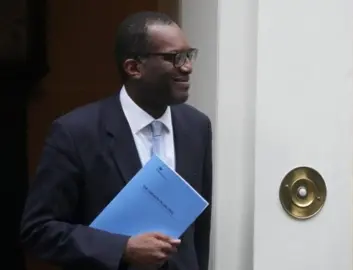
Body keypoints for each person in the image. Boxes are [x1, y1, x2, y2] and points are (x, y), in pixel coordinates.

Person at [20, 11, 212, 270]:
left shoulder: (196, 126)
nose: (187, 67)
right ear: (134, 67)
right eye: (174, 58)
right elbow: (38, 230)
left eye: (188, 56)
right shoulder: (76, 132)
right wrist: (123, 248)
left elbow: (198, 231)